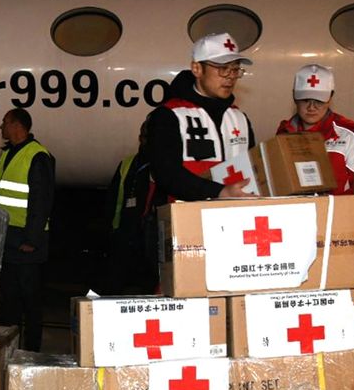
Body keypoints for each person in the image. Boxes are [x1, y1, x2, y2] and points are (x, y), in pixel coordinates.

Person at [146, 32, 255, 201]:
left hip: (234, 216)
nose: (231, 77)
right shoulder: (169, 115)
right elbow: (165, 174)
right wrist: (219, 192)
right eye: (223, 68)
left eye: (235, 69)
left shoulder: (239, 118)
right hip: (186, 218)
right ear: (197, 69)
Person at [0, 108, 54, 351]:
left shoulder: (37, 155)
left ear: (17, 125)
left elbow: (42, 200)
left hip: (27, 244)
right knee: (10, 303)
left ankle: (32, 353)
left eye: (4, 123)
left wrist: (32, 239)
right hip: (8, 240)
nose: (1, 128)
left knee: (31, 303)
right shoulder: (6, 156)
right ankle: (12, 350)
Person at [276, 64, 354, 194]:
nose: (311, 107)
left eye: (319, 100)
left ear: (330, 98)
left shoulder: (351, 136)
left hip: (336, 213)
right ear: (294, 97)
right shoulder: (283, 134)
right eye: (305, 100)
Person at [103, 118, 159, 294]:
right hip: (126, 231)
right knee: (113, 280)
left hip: (151, 234)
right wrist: (111, 227)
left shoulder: (163, 164)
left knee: (150, 284)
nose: (147, 141)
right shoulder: (128, 164)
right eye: (145, 136)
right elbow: (113, 198)